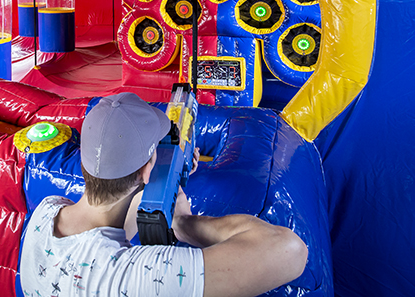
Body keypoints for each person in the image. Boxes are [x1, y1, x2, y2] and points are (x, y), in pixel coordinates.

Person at [20, 92, 308, 297]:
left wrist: (169, 178)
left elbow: (109, 218)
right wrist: (184, 223)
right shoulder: (139, 274)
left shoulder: (47, 212)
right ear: (146, 170)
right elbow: (290, 251)